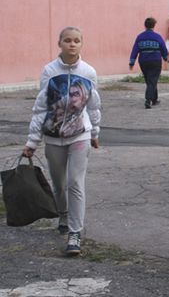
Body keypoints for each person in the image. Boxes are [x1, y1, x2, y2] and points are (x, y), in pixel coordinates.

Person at [23, 26, 101, 256]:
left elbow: (93, 105)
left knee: (75, 183)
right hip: (53, 138)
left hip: (80, 136)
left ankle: (75, 233)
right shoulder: (49, 71)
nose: (72, 44)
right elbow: (41, 108)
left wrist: (94, 132)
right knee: (58, 184)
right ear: (60, 43)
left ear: (81, 44)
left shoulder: (88, 72)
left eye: (77, 40)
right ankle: (64, 216)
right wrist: (32, 141)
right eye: (67, 40)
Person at [129, 17, 169, 109]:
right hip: (155, 61)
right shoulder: (157, 37)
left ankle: (154, 99)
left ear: (145, 25)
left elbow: (135, 49)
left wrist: (131, 62)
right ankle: (148, 100)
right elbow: (163, 48)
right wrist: (165, 57)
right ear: (154, 25)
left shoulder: (140, 37)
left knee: (150, 80)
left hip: (143, 61)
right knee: (152, 80)